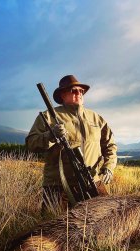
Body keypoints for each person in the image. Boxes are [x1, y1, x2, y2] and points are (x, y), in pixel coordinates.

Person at [26, 75, 117, 213]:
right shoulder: (48, 116)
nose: (79, 93)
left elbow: (110, 145)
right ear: (63, 94)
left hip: (93, 181)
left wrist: (109, 167)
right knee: (52, 227)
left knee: (106, 220)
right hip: (58, 185)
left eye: (81, 91)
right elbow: (31, 143)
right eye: (74, 90)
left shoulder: (96, 118)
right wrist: (51, 136)